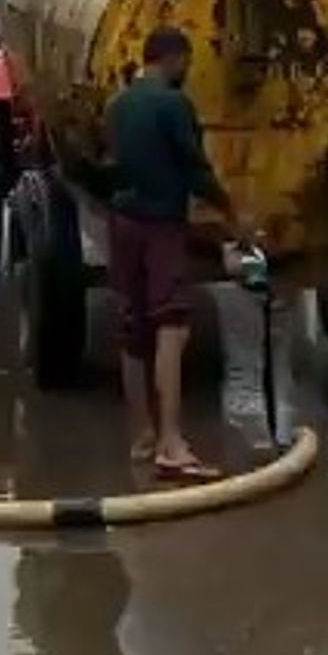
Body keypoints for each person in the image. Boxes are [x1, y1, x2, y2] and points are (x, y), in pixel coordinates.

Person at [106, 26, 242, 480]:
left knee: (132, 328)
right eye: (186, 62)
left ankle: (142, 436)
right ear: (173, 58)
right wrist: (230, 211)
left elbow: (108, 161)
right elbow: (195, 170)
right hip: (160, 225)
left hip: (122, 222)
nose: (187, 70)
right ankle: (171, 442)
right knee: (172, 325)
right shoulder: (173, 103)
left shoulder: (118, 104)